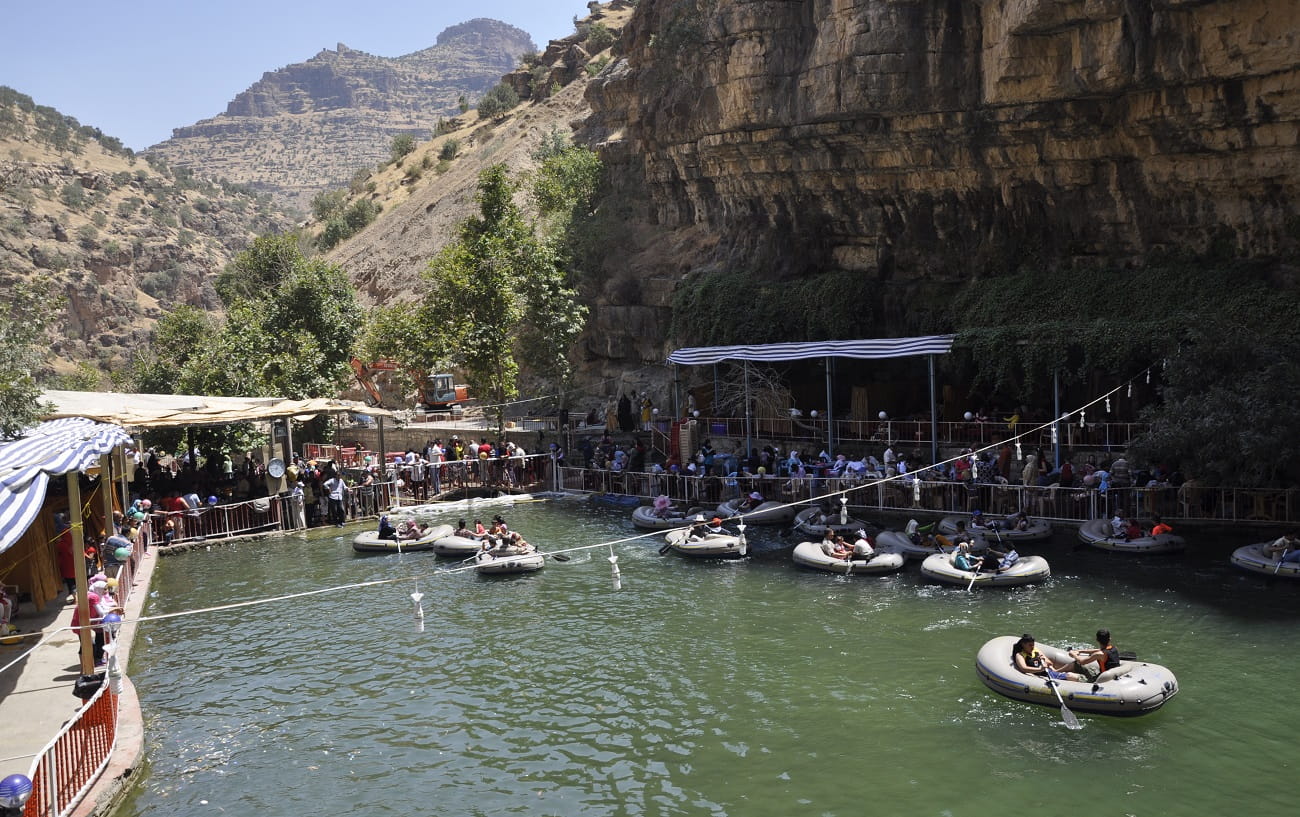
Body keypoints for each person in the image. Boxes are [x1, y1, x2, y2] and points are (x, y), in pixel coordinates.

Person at [1012, 633, 1084, 682]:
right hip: (1041, 675)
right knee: (1072, 676)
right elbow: (1023, 668)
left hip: (1049, 672)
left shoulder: (1036, 651)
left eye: (1033, 644)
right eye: (1030, 645)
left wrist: (1043, 659)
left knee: (1075, 676)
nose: (1032, 647)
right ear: (1023, 644)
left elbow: (1049, 663)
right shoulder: (1020, 655)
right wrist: (1040, 669)